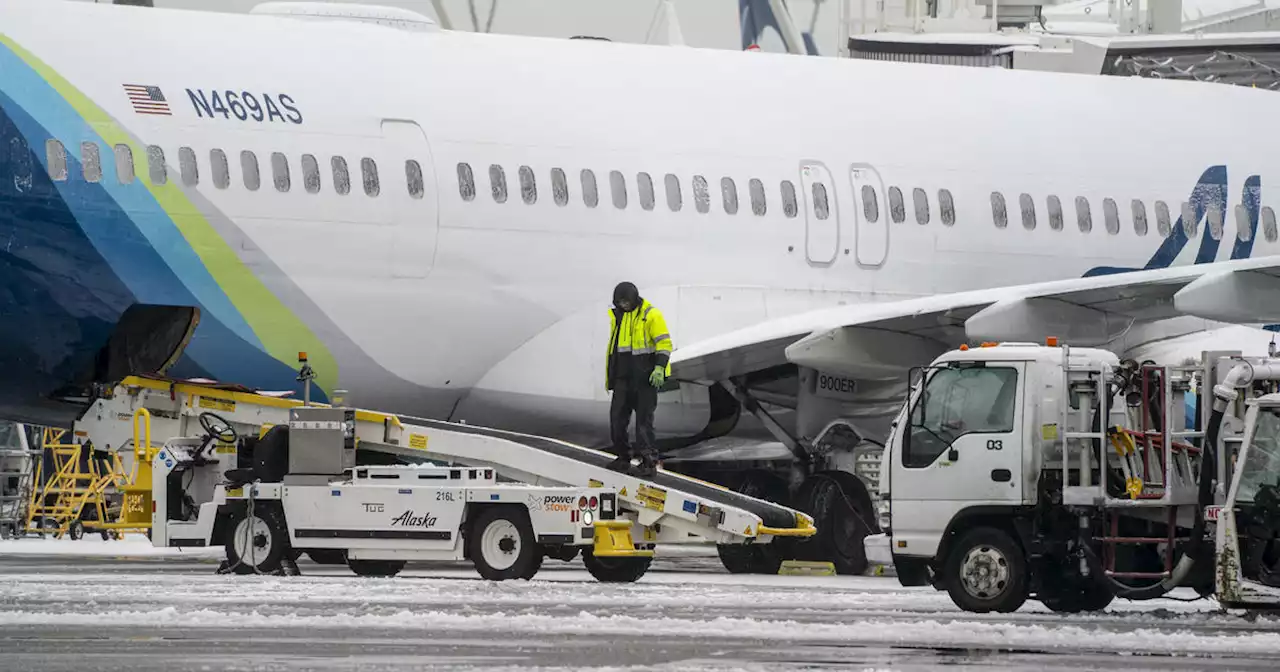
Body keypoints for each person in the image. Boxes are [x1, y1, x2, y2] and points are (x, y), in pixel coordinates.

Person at [605, 282, 673, 477]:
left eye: (626, 301)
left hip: (645, 380)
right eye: (620, 302)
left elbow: (664, 343)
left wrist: (660, 367)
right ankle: (623, 458)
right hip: (623, 379)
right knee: (617, 420)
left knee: (643, 423)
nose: (624, 305)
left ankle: (648, 462)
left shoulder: (650, 315)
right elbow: (615, 349)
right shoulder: (618, 317)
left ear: (634, 298)